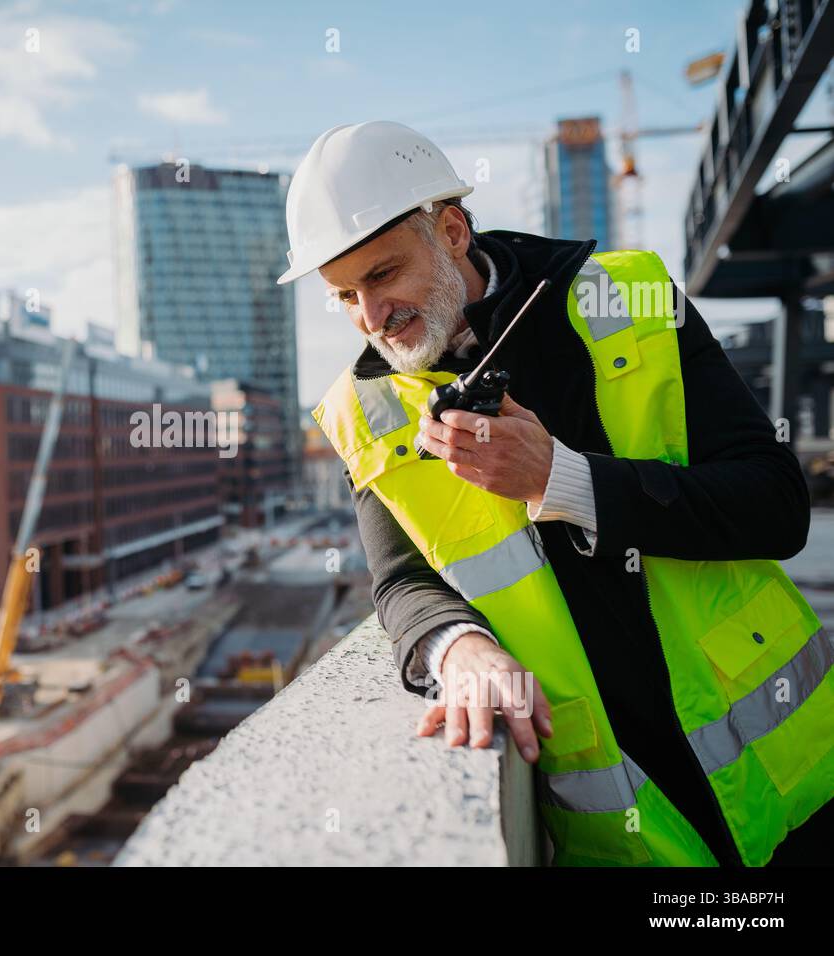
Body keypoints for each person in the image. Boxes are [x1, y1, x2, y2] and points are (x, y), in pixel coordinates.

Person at [287, 120, 834, 866]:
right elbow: (402, 583)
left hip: (800, 785)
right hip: (623, 830)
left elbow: (776, 504)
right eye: (344, 295)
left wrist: (561, 481)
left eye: (382, 276)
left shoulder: (631, 300)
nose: (371, 317)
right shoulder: (365, 412)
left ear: (451, 231)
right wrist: (459, 646)